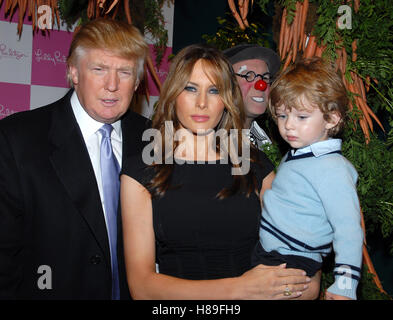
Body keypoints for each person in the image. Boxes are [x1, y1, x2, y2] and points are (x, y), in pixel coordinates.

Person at [120, 44, 319, 300]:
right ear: (172, 94)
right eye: (190, 88)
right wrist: (240, 289)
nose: (202, 103)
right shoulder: (141, 172)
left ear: (226, 99)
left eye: (214, 90)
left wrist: (282, 288)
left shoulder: (256, 167)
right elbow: (142, 288)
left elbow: (308, 284)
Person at [0, 18, 150, 299]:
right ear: (73, 72)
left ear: (138, 81)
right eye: (99, 69)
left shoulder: (153, 139)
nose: (112, 85)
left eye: (125, 72)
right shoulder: (17, 139)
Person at [254, 57, 364, 300]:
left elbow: (348, 230)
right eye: (282, 116)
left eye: (301, 117)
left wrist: (345, 284)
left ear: (331, 119)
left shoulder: (333, 168)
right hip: (269, 250)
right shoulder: (300, 154)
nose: (288, 126)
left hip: (291, 260)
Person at [223, 44, 281, 149]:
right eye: (248, 75)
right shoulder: (214, 142)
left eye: (265, 77)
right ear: (227, 83)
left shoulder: (275, 135)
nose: (261, 85)